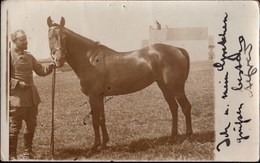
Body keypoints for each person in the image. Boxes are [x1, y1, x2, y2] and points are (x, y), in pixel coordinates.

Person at [9, 29, 56, 160]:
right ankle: (12, 155)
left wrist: (50, 68)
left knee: (31, 125)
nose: (26, 41)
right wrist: (17, 83)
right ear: (14, 41)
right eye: (22, 39)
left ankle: (27, 152)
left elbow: (40, 70)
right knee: (14, 127)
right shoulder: (8, 56)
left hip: (32, 99)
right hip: (16, 99)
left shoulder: (29, 56)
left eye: (25, 39)